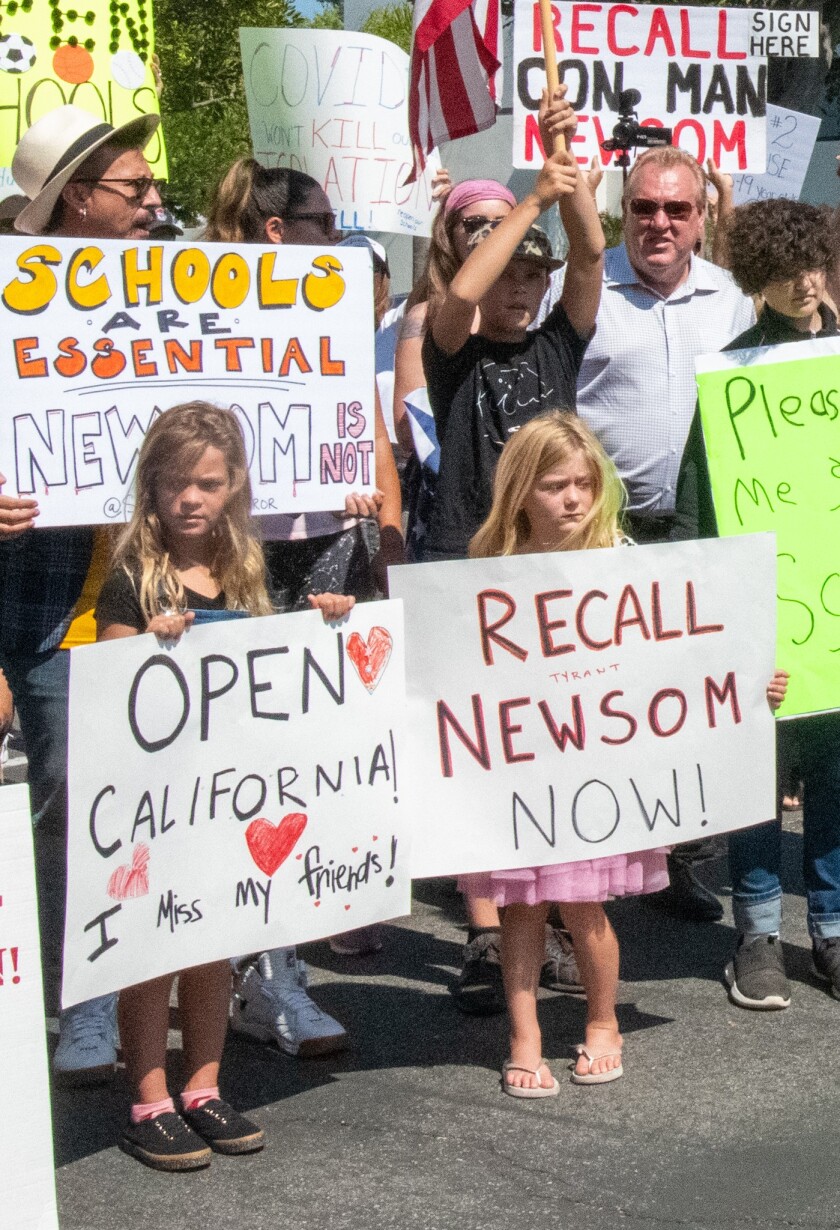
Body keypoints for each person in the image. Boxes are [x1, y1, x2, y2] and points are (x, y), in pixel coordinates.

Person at [96, 401, 354, 1170]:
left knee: (209, 951)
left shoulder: (243, 570)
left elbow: (267, 664)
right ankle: (148, 1099)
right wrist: (149, 642)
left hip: (220, 800)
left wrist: (327, 620)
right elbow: (112, 671)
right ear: (151, 488)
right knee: (151, 958)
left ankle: (202, 1087)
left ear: (234, 485)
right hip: (153, 803)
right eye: (175, 483)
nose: (190, 499)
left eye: (207, 483)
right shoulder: (132, 575)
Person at [202, 159, 404, 1049]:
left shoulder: (327, 315)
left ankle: (280, 971)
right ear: (278, 231)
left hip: (327, 555)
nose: (339, 234)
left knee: (305, 771)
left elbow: (365, 432)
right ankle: (222, 970)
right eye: (325, 220)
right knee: (232, 775)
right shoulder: (201, 312)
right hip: (234, 563)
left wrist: (380, 519)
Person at [537, 144, 755, 923]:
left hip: (699, 530)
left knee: (689, 705)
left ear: (702, 218)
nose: (659, 223)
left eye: (677, 209)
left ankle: (683, 861)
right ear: (621, 211)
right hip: (601, 534)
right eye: (643, 207)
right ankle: (575, 887)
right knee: (596, 706)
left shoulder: (734, 300)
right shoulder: (584, 291)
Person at [0, 104, 163, 1082]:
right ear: (76, 200)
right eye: (134, 190)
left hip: (83, 601)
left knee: (87, 808)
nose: (153, 202)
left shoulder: (160, 301)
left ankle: (86, 1005)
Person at [461, 414, 672, 1094]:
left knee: (584, 906)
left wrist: (739, 690)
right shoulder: (488, 571)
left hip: (593, 768)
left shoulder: (621, 563)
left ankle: (603, 1021)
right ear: (521, 491)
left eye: (585, 483)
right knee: (521, 908)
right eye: (555, 485)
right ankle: (525, 1035)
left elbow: (673, 662)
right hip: (522, 768)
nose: (574, 499)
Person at [671, 198, 840, 1010]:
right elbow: (698, 513)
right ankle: (759, 935)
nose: (802, 283)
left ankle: (833, 931)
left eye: (811, 264)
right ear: (753, 282)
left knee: (837, 782)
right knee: (759, 782)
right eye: (781, 274)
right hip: (766, 622)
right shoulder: (733, 378)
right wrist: (721, 634)